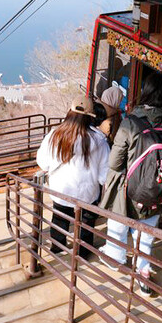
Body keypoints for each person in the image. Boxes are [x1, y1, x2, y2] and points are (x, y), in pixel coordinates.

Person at [100, 71, 162, 295]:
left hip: (126, 189)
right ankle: (144, 271)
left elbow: (115, 162)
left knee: (119, 224)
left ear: (145, 93)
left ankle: (116, 256)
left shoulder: (131, 122)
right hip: (157, 189)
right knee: (147, 232)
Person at [36, 96, 110, 260]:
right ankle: (83, 252)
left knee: (60, 217)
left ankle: (57, 246)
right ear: (91, 117)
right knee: (86, 223)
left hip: (61, 189)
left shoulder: (54, 135)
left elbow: (42, 162)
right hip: (87, 193)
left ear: (69, 111)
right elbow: (104, 174)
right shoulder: (99, 141)